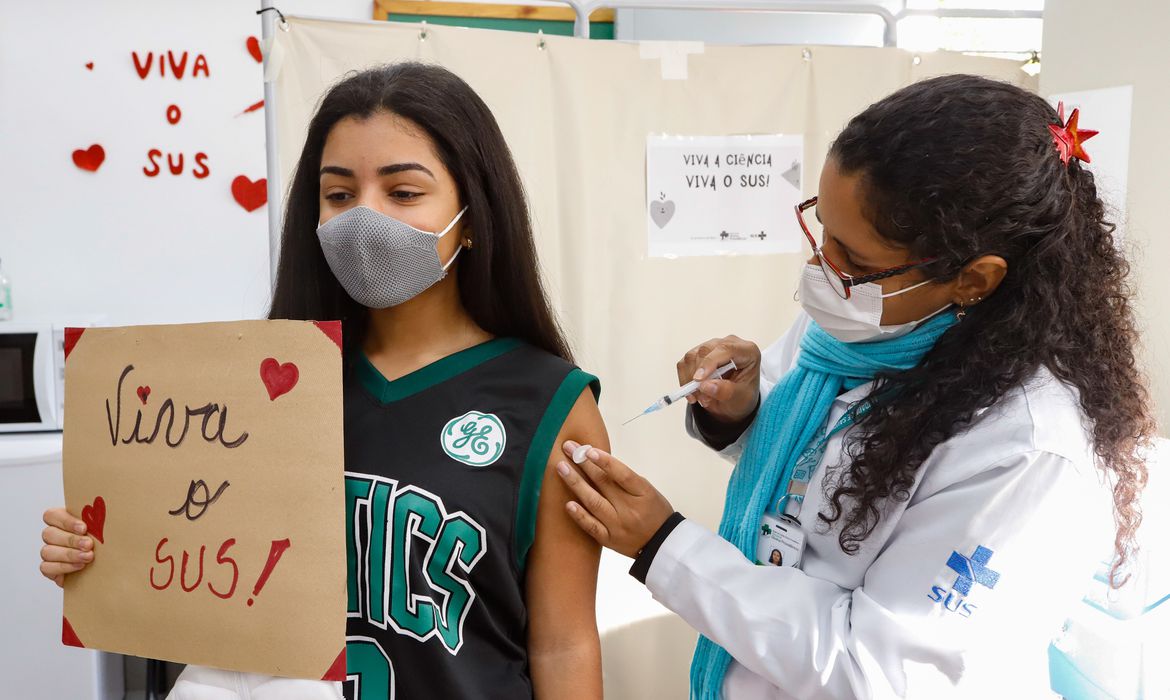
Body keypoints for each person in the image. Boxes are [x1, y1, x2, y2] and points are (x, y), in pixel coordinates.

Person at [554, 74, 1154, 698]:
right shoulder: (861, 324)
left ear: (973, 280)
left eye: (856, 262)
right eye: (823, 232)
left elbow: (875, 672)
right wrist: (744, 412)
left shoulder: (1026, 452)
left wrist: (663, 546)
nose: (822, 272)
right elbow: (819, 471)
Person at [40, 63, 607, 700]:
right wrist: (98, 555)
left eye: (403, 192)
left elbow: (564, 645)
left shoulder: (552, 404)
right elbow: (195, 575)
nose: (363, 216)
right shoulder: (259, 389)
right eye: (338, 195)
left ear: (473, 213)